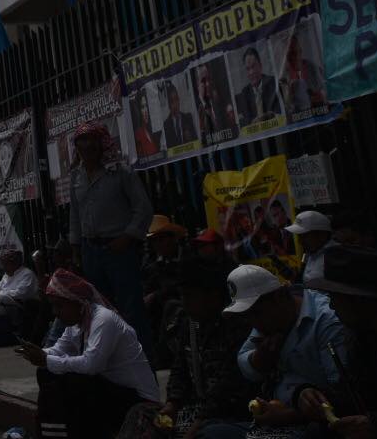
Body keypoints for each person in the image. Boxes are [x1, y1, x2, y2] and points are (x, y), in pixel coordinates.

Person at [297, 244, 377, 437]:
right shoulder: (364, 336)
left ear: (361, 300)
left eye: (335, 297)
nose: (331, 306)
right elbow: (356, 393)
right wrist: (313, 397)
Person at [18, 268, 159, 439]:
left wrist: (46, 359)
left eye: (59, 306)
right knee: (47, 373)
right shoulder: (76, 324)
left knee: (77, 382)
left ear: (77, 302)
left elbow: (92, 365)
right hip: (111, 391)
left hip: (138, 400)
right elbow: (57, 351)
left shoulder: (103, 320)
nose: (55, 312)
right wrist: (39, 354)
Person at [126, 258, 254, 439]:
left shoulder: (236, 327)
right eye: (182, 296)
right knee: (140, 414)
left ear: (213, 297)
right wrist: (172, 404)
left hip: (227, 414)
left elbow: (228, 389)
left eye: (190, 296)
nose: (184, 303)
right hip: (194, 409)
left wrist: (196, 425)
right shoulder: (191, 325)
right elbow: (180, 370)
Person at [66, 123, 154, 352]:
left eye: (92, 140)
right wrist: (76, 248)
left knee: (130, 308)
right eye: (81, 141)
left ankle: (141, 358)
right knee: (100, 309)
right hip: (90, 250)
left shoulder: (121, 172)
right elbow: (75, 215)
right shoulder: (76, 177)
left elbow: (143, 209)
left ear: (102, 142)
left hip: (119, 249)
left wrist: (128, 237)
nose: (87, 146)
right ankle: (112, 358)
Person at [225, 264, 344, 433]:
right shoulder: (267, 321)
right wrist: (261, 358)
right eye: (247, 317)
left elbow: (343, 395)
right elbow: (245, 361)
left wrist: (290, 414)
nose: (253, 323)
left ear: (279, 296)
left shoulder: (325, 321)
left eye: (256, 314)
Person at [142, 215, 188, 367]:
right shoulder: (152, 266)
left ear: (172, 238)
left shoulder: (187, 258)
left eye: (161, 239)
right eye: (155, 241)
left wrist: (157, 295)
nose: (158, 244)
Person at [235, 47, 283, 124]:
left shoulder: (273, 83)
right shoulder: (245, 92)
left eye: (253, 66)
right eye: (248, 69)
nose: (251, 72)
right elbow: (246, 120)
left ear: (260, 66)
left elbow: (280, 112)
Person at [160, 81, 199, 147]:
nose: (176, 104)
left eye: (176, 99)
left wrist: (190, 138)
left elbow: (196, 140)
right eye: (172, 101)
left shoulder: (188, 117)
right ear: (169, 104)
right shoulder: (166, 125)